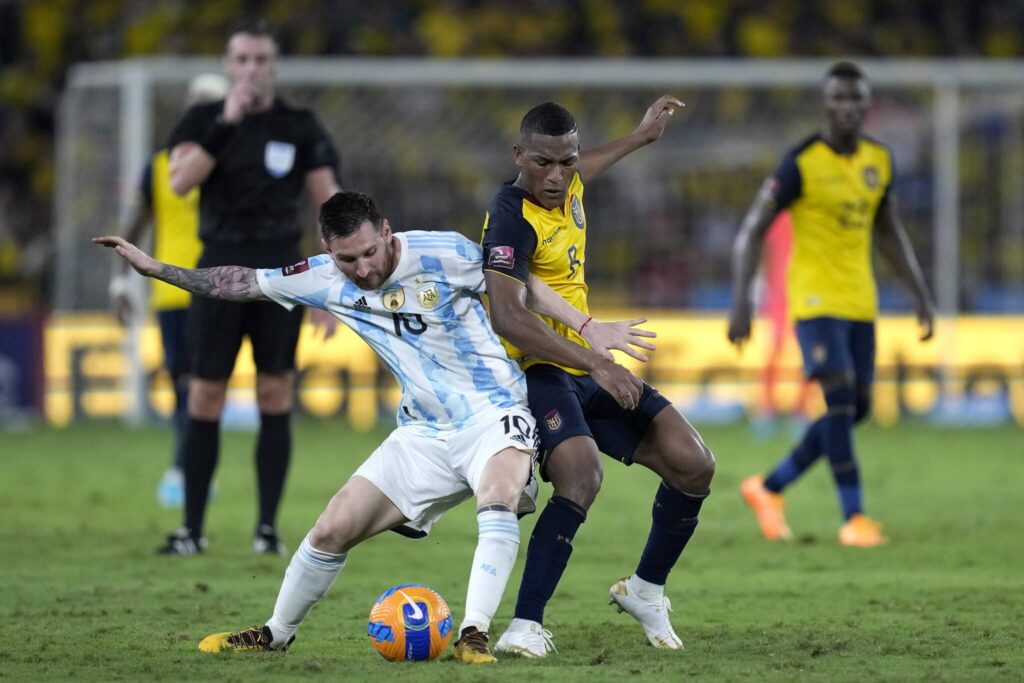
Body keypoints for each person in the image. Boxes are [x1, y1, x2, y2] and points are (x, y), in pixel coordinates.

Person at [95, 190, 655, 663]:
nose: (362, 269)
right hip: (422, 433)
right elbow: (240, 281)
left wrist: (587, 325)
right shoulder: (321, 278)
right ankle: (275, 635)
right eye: (347, 259)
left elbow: (523, 288)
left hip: (494, 412)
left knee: (500, 494)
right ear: (327, 251)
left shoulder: (447, 252)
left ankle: (474, 633)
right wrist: (156, 269)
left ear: (387, 232)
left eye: (369, 252)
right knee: (330, 529)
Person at [480, 98, 716, 656]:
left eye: (568, 162)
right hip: (537, 370)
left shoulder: (568, 183)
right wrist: (597, 360)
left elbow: (588, 167)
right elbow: (507, 315)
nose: (558, 176)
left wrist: (640, 138)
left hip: (585, 365)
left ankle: (645, 590)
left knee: (694, 464)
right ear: (519, 155)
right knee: (581, 477)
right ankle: (524, 625)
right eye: (544, 163)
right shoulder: (512, 215)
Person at [728, 61, 935, 548]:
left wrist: (921, 293)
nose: (846, 107)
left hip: (861, 301)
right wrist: (741, 302)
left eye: (855, 99)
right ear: (826, 105)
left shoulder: (878, 161)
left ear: (867, 106)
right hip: (814, 300)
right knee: (839, 399)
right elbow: (753, 228)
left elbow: (889, 230)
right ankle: (854, 518)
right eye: (837, 99)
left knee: (856, 407)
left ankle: (769, 487)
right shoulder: (800, 162)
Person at [159, 21, 341, 556]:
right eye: (243, 60)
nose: (253, 70)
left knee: (275, 393)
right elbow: (179, 181)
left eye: (262, 60)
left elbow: (328, 203)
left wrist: (330, 282)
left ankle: (267, 530)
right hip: (217, 272)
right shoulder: (201, 120)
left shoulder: (300, 124)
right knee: (205, 394)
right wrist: (227, 122)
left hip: (282, 277)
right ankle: (191, 530)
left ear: (274, 65)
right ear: (227, 64)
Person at [109, 73, 230, 509]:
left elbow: (135, 222)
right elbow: (136, 224)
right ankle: (186, 467)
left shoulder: (219, 161)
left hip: (213, 287)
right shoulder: (173, 164)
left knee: (199, 384)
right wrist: (121, 279)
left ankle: (188, 468)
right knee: (189, 384)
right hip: (181, 289)